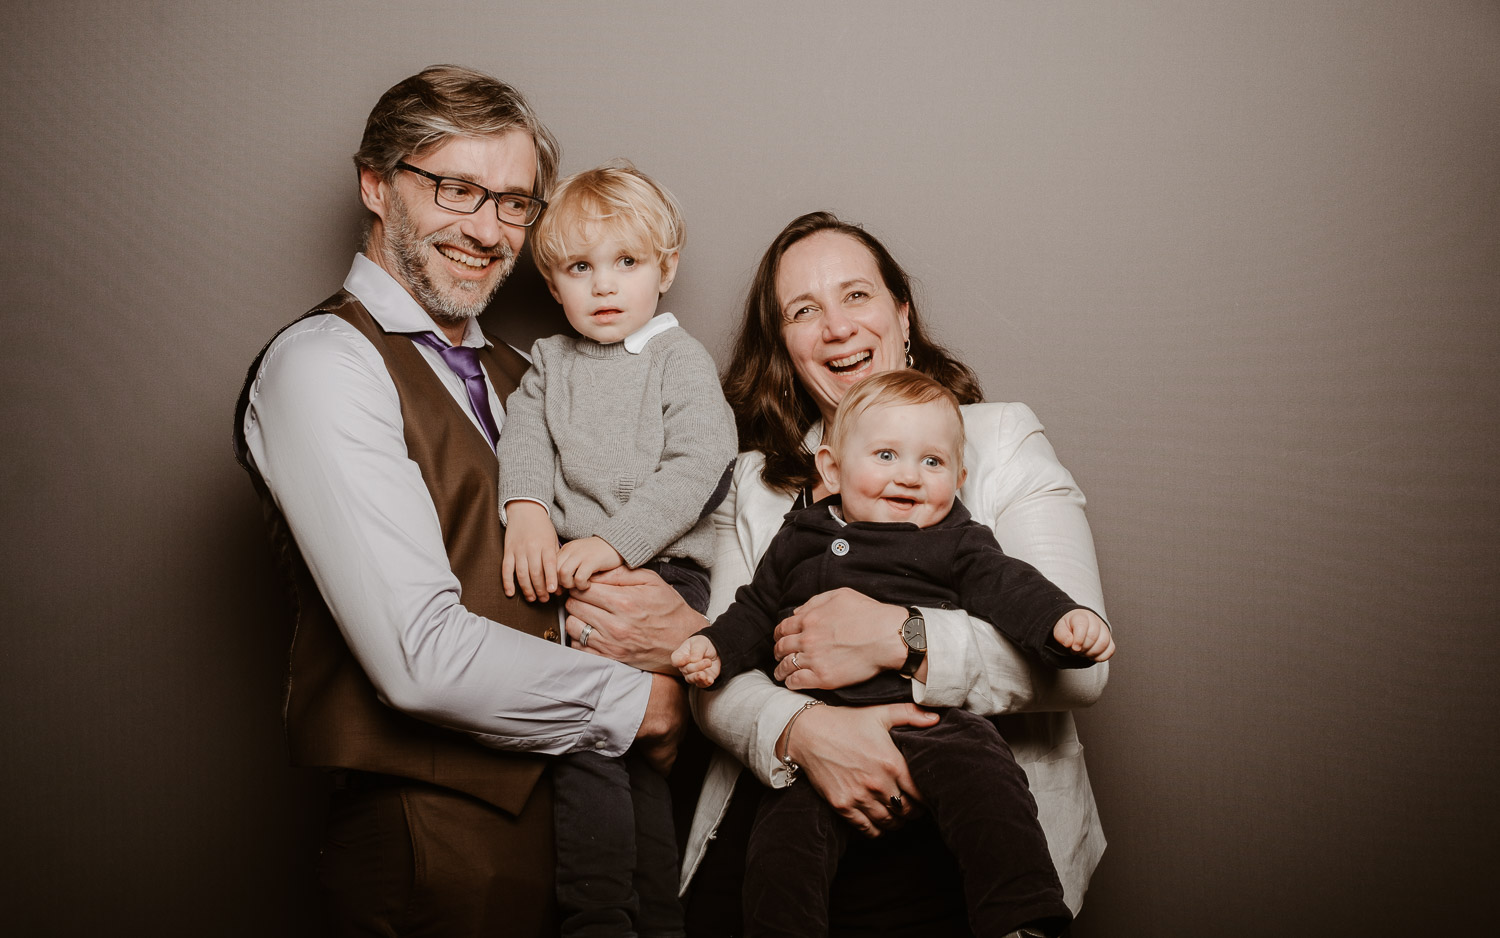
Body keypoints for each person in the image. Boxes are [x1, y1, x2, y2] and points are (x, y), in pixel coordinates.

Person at [559, 211, 1111, 937]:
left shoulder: (998, 441)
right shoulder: (757, 483)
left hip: (958, 832)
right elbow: (730, 660)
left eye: (856, 296)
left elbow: (1080, 668)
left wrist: (901, 639)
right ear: (785, 345)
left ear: (901, 315)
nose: (836, 328)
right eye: (804, 310)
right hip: (789, 810)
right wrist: (805, 731)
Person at [231, 66, 685, 937]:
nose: (487, 230)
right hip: (429, 846)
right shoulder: (325, 363)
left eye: (515, 202)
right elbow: (418, 656)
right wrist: (647, 703)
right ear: (376, 184)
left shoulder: (534, 376)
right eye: (456, 190)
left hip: (589, 839)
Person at [674, 370, 1113, 936]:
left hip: (933, 720)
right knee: (781, 851)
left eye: (932, 463)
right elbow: (755, 609)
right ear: (832, 470)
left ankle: (1022, 915)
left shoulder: (956, 539)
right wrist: (715, 648)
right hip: (823, 728)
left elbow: (1012, 587)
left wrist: (1061, 623)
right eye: (886, 455)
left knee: (990, 789)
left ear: (959, 476)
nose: (909, 476)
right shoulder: (799, 536)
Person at [497, 161, 737, 938]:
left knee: (593, 739)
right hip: (577, 579)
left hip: (661, 578)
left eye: (626, 263)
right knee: (608, 746)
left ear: (664, 270)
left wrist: (611, 541)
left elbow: (700, 468)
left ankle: (603, 919)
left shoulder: (679, 360)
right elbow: (525, 443)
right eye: (580, 267)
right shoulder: (548, 363)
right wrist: (529, 512)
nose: (604, 286)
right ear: (553, 280)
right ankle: (624, 918)